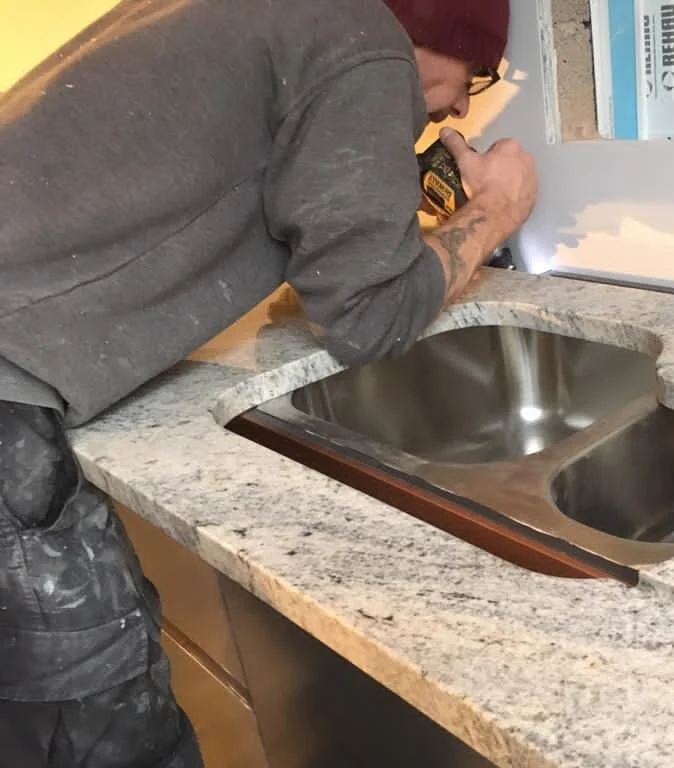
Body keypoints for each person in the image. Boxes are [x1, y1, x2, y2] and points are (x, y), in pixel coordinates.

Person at [0, 0, 537, 764]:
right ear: (436, 27)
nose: (455, 111)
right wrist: (494, 211)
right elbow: (367, 315)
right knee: (113, 737)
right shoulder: (364, 40)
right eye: (473, 76)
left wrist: (374, 197)